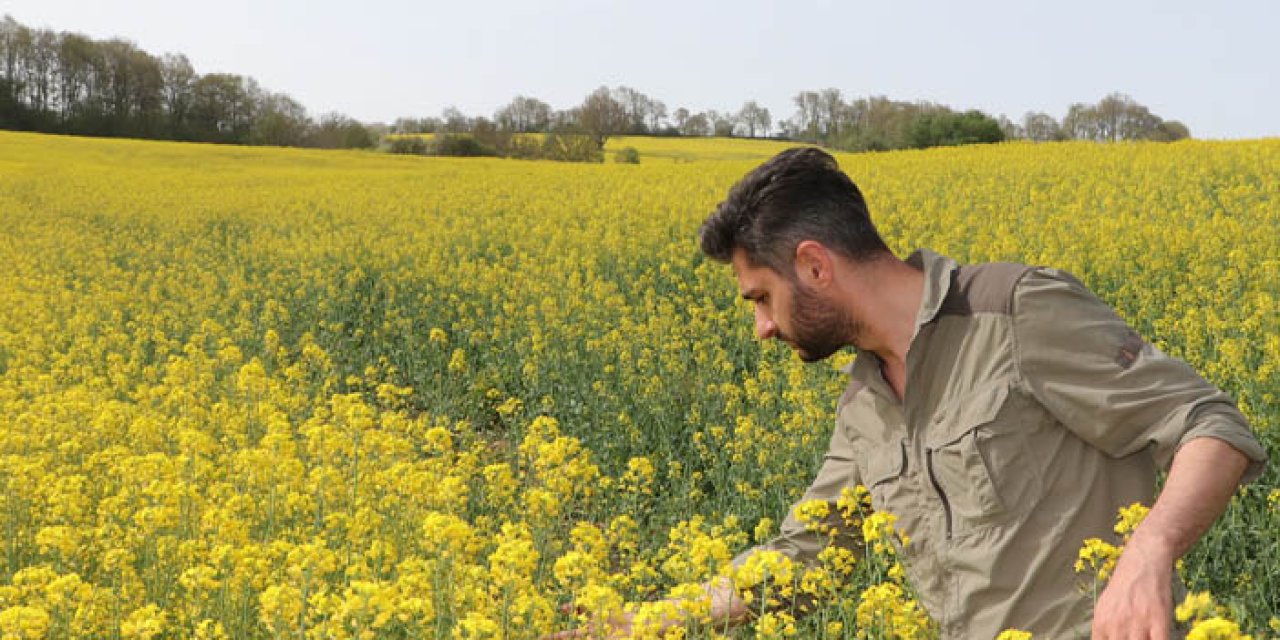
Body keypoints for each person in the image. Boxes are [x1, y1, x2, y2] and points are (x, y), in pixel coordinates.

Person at [555, 147, 1268, 639]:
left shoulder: (1013, 312)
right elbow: (806, 555)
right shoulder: (864, 404)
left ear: (814, 266)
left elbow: (1210, 424)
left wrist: (1149, 554)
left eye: (762, 297)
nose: (762, 327)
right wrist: (646, 623)